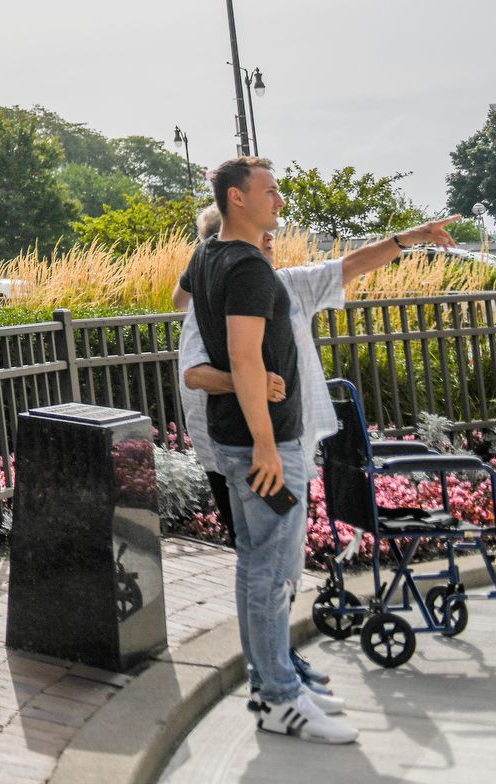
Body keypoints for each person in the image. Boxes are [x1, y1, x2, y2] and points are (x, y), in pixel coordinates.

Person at [173, 201, 460, 726]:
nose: (272, 239)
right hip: (239, 449)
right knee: (268, 568)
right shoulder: (216, 296)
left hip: (288, 442)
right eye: (261, 236)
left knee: (276, 568)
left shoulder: (284, 283)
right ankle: (276, 685)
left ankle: (277, 669)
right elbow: (195, 372)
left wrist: (408, 238)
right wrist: (249, 383)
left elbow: (349, 265)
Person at [180, 159, 340, 743]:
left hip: (234, 437)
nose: (278, 200)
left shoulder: (206, 257)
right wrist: (269, 447)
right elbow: (244, 358)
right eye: (268, 190)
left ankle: (269, 685)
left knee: (256, 566)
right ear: (235, 198)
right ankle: (280, 696)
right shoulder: (246, 267)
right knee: (273, 573)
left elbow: (211, 332)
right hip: (260, 442)